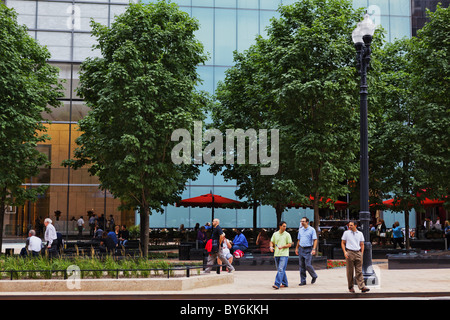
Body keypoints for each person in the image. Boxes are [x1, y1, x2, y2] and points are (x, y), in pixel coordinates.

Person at [341, 221, 370, 293]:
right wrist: (345, 252)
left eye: (351, 225)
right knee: (350, 271)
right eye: (349, 225)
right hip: (349, 252)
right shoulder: (346, 233)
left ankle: (362, 286)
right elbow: (343, 242)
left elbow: (362, 244)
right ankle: (351, 287)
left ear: (355, 226)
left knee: (359, 271)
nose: (349, 226)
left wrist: (361, 253)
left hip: (358, 252)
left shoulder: (360, 234)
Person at [295, 217, 318, 285]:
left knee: (308, 264)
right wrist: (296, 248)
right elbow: (299, 240)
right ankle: (303, 281)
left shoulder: (312, 230)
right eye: (301, 221)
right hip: (301, 248)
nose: (302, 222)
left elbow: (315, 240)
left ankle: (314, 276)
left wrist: (314, 249)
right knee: (301, 265)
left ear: (307, 222)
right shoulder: (300, 230)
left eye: (303, 221)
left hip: (308, 249)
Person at [270, 221, 293, 289]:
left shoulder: (287, 234)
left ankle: (277, 284)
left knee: (280, 269)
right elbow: (271, 242)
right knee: (281, 269)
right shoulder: (275, 234)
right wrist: (271, 247)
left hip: (284, 254)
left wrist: (282, 246)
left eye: (285, 226)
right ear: (280, 226)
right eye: (283, 226)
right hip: (276, 254)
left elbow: (289, 244)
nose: (285, 227)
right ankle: (285, 283)